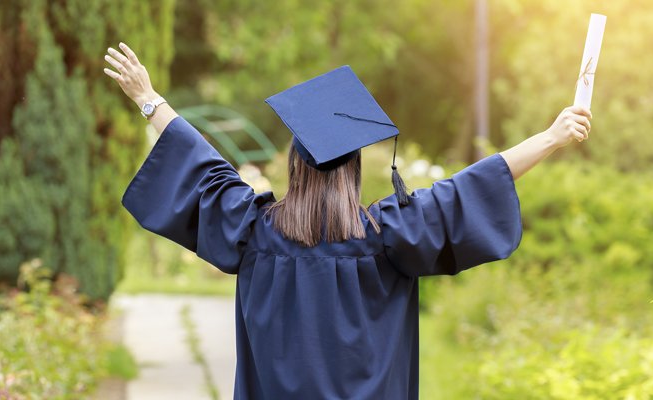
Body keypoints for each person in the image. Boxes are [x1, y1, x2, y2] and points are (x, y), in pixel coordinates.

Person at [104, 42, 592, 400]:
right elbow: (472, 186)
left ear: (295, 165)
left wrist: (149, 99)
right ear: (354, 170)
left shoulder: (253, 231)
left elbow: (204, 168)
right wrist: (550, 137)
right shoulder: (391, 235)